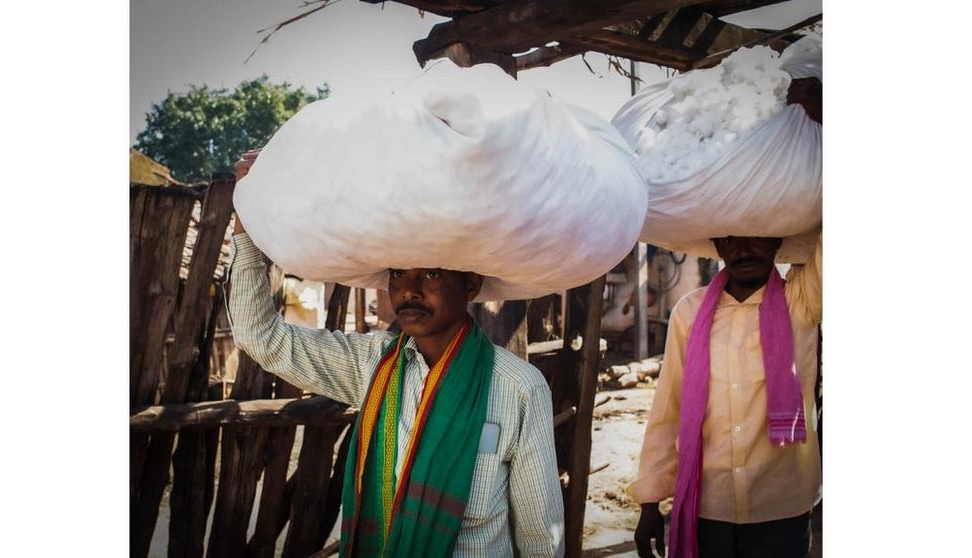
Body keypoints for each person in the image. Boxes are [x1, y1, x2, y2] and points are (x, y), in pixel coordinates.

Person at [226, 150, 564, 558]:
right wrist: (245, 226)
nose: (410, 290)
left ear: (471, 284)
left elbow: (539, 539)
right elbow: (260, 335)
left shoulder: (518, 387)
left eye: (433, 274)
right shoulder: (370, 364)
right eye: (399, 274)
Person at [631, 233, 822, 558]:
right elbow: (668, 408)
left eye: (756, 236)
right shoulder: (689, 312)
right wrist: (649, 500)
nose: (744, 249)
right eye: (731, 240)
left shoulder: (801, 300)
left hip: (781, 506)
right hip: (708, 507)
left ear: (777, 239)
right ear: (718, 247)